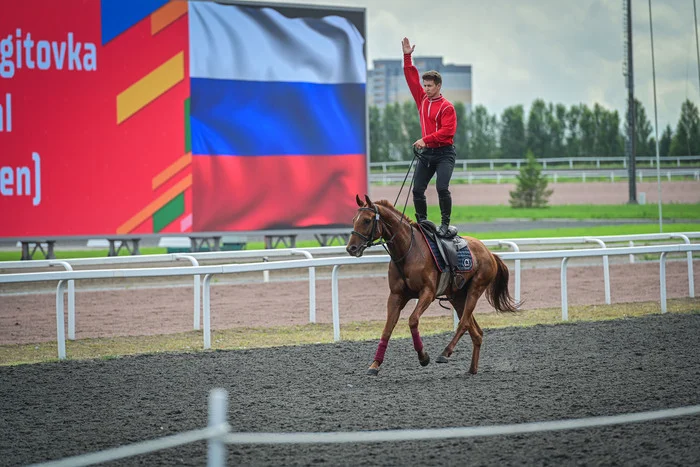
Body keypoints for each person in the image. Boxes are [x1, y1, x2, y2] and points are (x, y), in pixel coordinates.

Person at [402, 37, 457, 237]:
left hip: (444, 153)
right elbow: (410, 77)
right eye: (424, 86)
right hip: (427, 154)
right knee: (417, 190)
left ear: (439, 86)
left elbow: (447, 132)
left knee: (442, 187)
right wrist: (407, 56)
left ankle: (445, 225)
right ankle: (423, 224)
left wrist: (426, 139)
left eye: (429, 86)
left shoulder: (447, 107)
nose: (425, 89)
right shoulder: (422, 99)